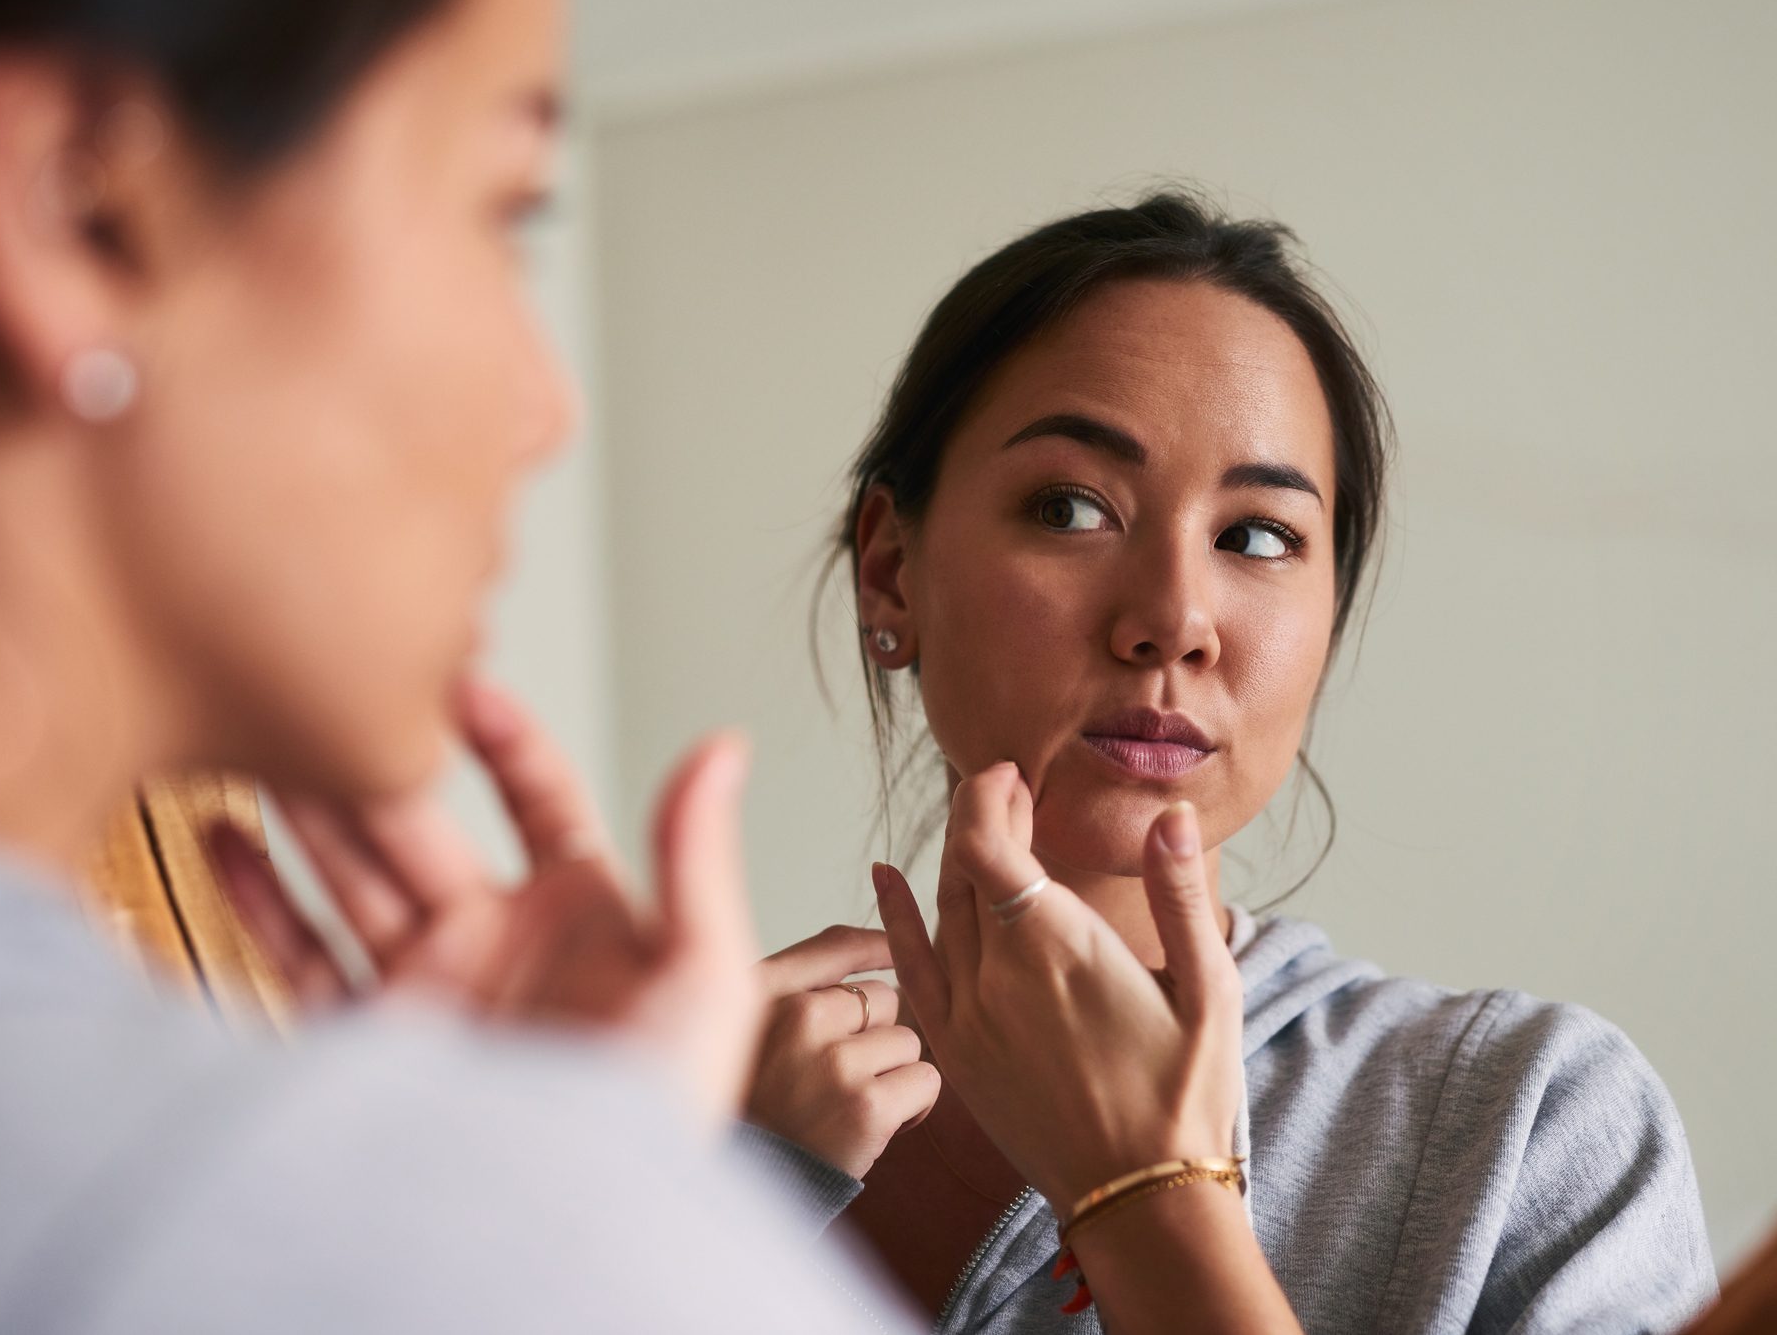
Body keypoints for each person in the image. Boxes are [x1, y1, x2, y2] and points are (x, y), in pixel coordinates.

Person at [0, 0, 911, 1330]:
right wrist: (559, 1221)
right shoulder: (370, 1234)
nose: (548, 409)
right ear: (76, 205)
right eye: (505, 209)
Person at [730, 193, 1722, 1332]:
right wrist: (709, 1194)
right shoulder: (690, 1127)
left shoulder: (1523, 1125)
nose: (1173, 619)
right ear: (891, 573)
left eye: (1257, 536)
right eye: (1069, 507)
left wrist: (1154, 1205)